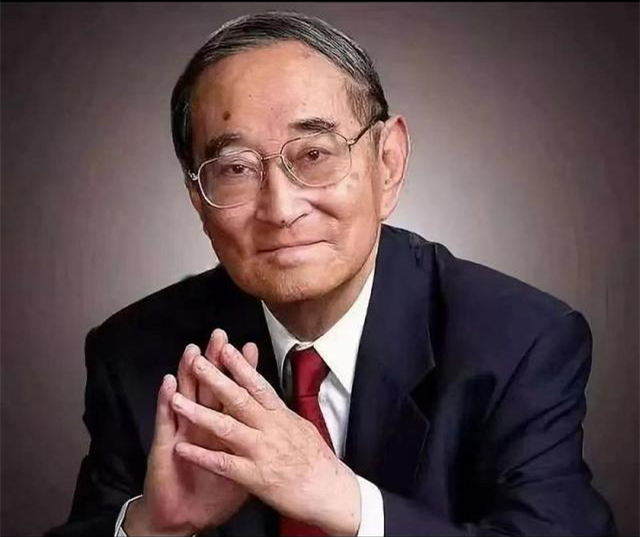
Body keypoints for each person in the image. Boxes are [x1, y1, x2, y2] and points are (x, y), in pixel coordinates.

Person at [48, 11, 616, 537]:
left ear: (388, 163)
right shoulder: (137, 354)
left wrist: (346, 502)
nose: (280, 209)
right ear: (198, 198)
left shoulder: (520, 342)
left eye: (314, 155)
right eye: (236, 168)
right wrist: (152, 527)